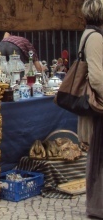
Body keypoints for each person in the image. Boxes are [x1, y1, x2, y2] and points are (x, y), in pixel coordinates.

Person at [79, 0, 103, 218]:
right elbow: (97, 78)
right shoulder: (95, 37)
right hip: (100, 107)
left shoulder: (93, 34)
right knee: (98, 158)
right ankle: (97, 207)